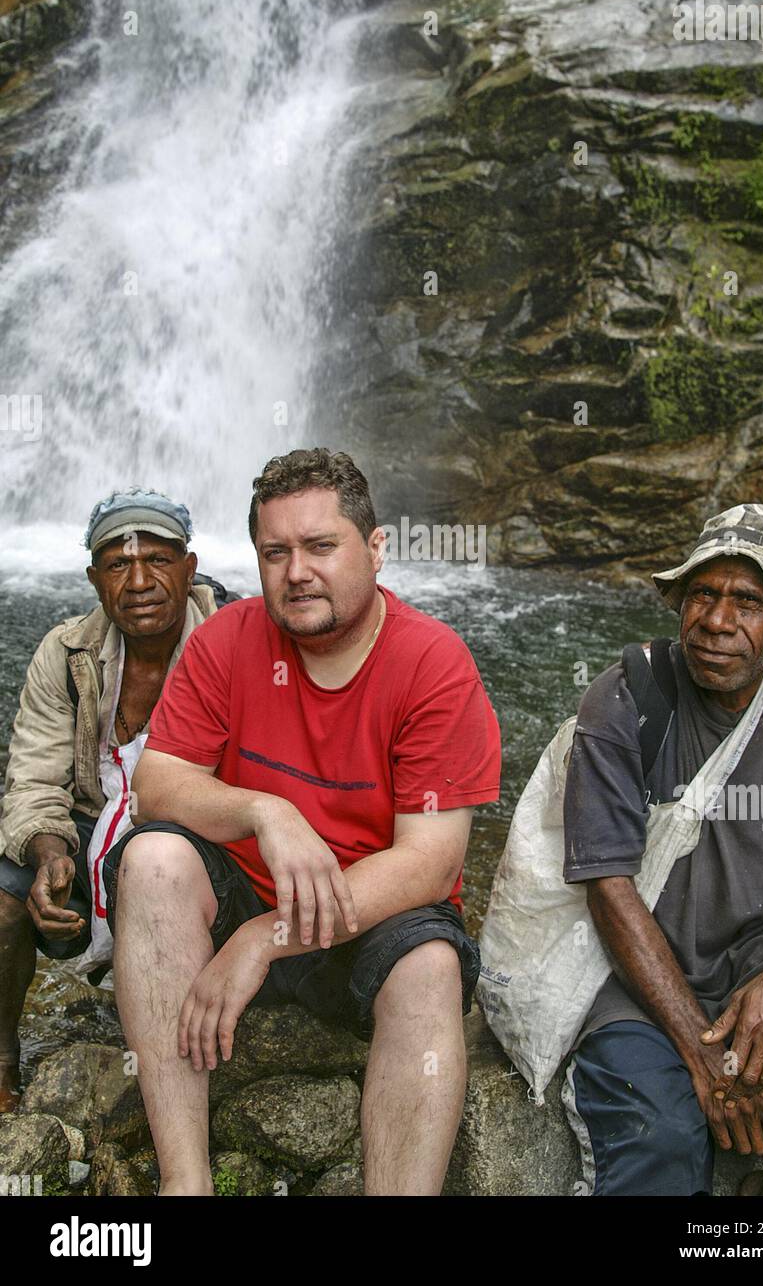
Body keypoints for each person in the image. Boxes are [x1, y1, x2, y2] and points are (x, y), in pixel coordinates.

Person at [105, 447, 501, 1196]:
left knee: (430, 967)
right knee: (152, 861)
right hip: (247, 889)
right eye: (275, 552)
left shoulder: (434, 664)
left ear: (376, 549)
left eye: (322, 546)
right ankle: (185, 1184)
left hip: (367, 918)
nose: (297, 572)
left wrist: (269, 938)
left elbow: (432, 865)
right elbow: (157, 785)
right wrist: (263, 808)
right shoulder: (226, 638)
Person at [562, 503, 763, 1196]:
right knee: (660, 1141)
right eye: (704, 593)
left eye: (748, 602)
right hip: (634, 980)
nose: (718, 622)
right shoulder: (628, 699)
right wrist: (705, 1057)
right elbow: (608, 887)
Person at [0, 489, 227, 1113]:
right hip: (92, 826)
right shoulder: (65, 653)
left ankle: (193, 1057)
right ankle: (2, 1063)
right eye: (118, 564)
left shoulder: (239, 644)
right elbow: (34, 783)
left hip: (197, 838)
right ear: (94, 577)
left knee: (157, 866)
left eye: (158, 559)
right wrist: (49, 854)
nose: (140, 581)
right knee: (1, 895)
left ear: (190, 565)